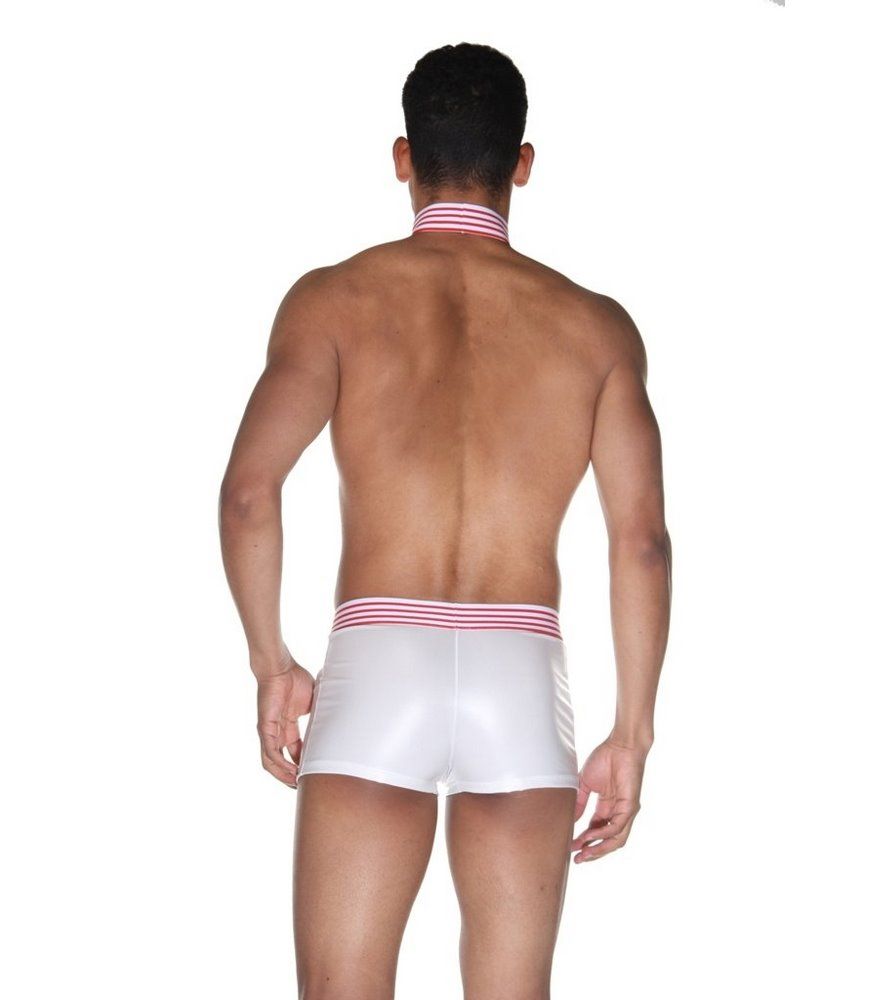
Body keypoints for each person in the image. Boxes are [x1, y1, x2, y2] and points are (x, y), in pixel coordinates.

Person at [219, 41, 672, 1000]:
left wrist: (271, 663)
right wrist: (631, 732)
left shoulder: (333, 301)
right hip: (522, 670)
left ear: (402, 157)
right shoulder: (596, 327)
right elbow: (641, 542)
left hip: (379, 656)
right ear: (522, 163)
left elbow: (250, 491)